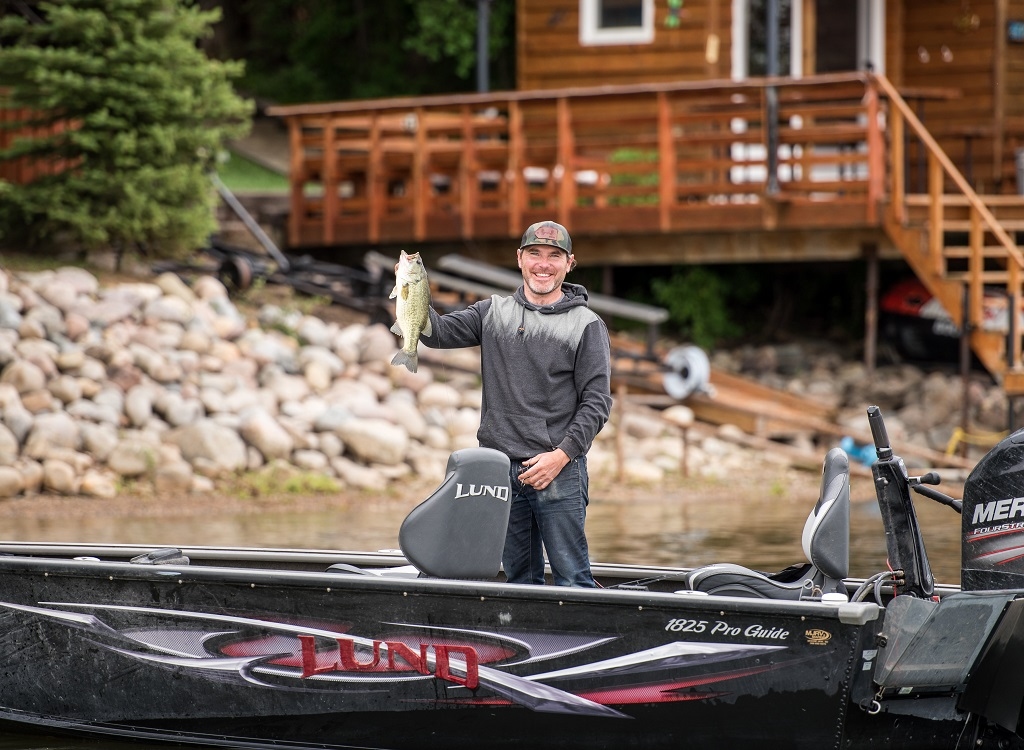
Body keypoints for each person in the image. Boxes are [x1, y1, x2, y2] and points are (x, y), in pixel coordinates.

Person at [417, 221, 612, 587]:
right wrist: (411, 289)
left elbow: (597, 403)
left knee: (573, 578)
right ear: (520, 259)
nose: (544, 263)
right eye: (535, 253)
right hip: (498, 474)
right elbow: (434, 333)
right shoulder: (492, 312)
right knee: (520, 579)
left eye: (554, 256)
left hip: (558, 470)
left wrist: (561, 455)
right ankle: (534, 644)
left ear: (569, 263)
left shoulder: (587, 325)